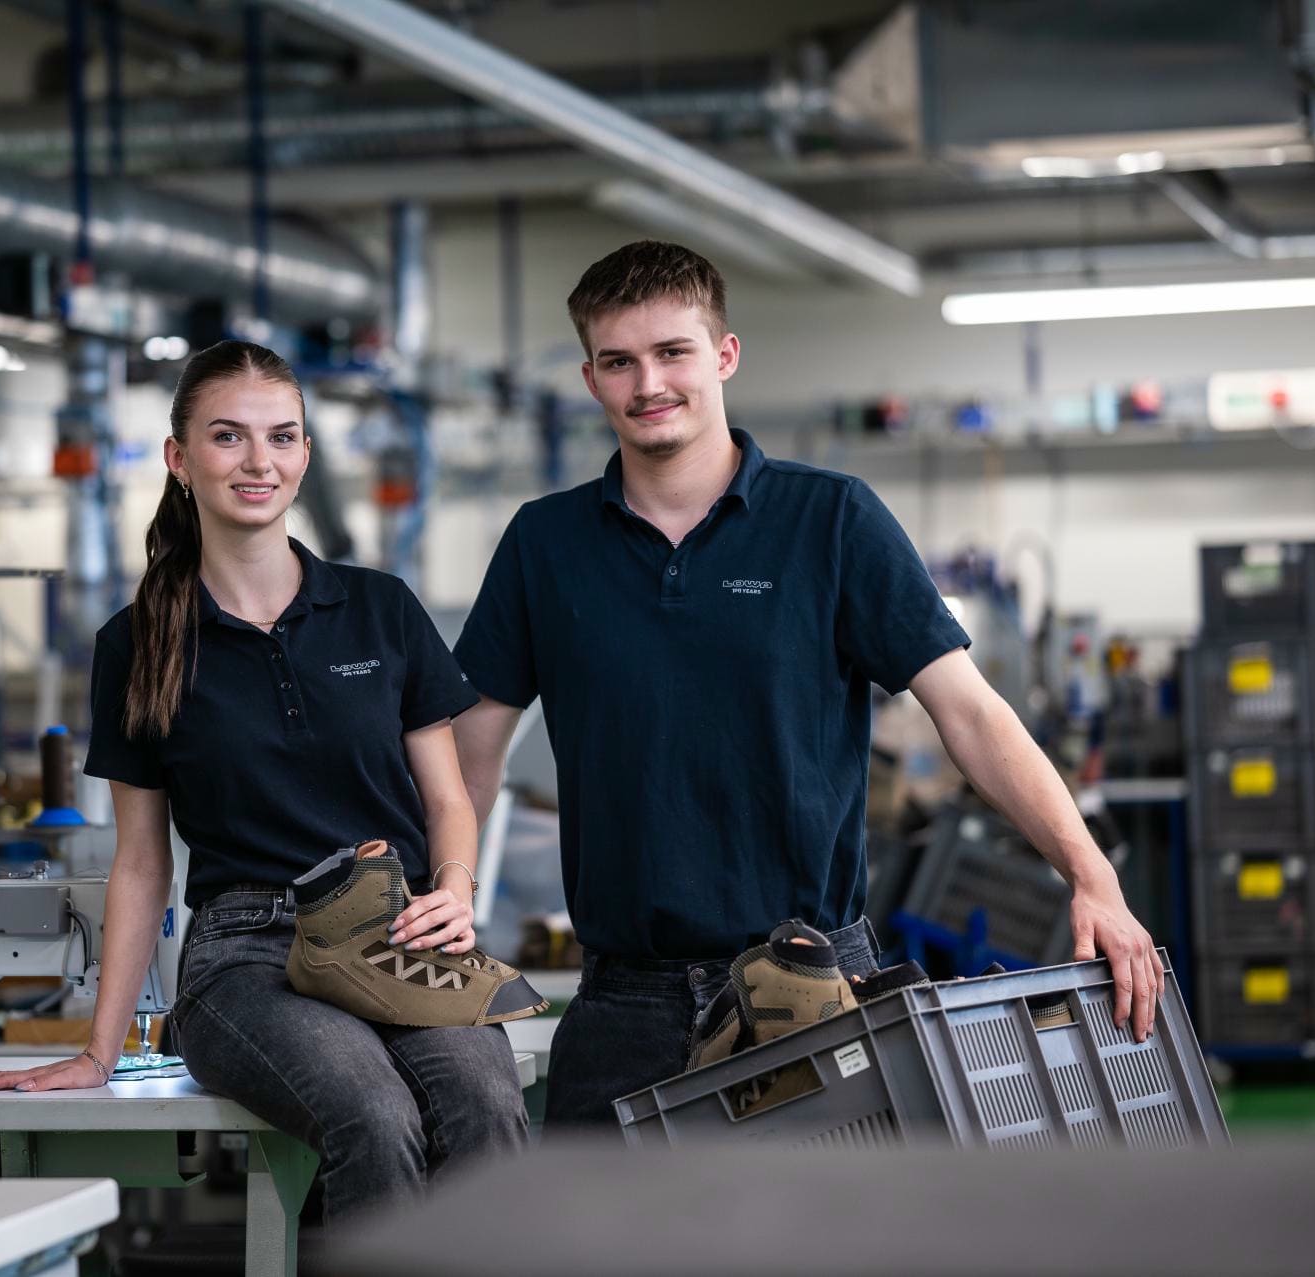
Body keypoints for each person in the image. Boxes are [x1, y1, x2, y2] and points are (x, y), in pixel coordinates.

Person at [449, 241, 1164, 1127]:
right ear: (591, 379)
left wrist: (1091, 874)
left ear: (724, 355)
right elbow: (469, 757)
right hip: (623, 1007)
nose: (649, 384)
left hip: (813, 990)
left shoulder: (832, 521)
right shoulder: (544, 545)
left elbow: (971, 714)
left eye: (672, 352)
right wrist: (444, 892)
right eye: (619, 361)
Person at [0, 341, 527, 1220]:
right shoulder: (138, 642)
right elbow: (142, 863)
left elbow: (448, 798)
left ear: (304, 454)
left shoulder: (380, 608)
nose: (259, 461)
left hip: (397, 932)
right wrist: (100, 1050)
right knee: (373, 1113)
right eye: (228, 436)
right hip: (246, 956)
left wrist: (454, 890)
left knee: (486, 1103)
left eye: (282, 437)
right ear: (179, 459)